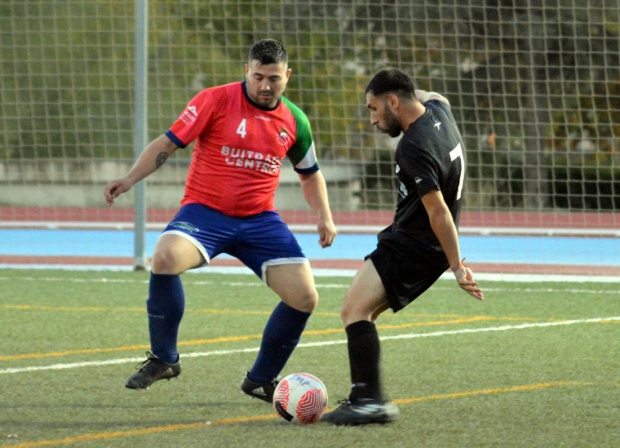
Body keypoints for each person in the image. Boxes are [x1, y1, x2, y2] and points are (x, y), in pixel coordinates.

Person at [103, 39, 336, 403]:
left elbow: (310, 174)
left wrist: (324, 216)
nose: (264, 86)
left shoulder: (295, 120)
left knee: (305, 297)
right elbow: (168, 143)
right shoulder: (214, 100)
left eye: (273, 78)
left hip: (259, 221)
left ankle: (261, 379)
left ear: (287, 76)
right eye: (257, 76)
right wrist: (130, 178)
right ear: (246, 71)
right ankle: (164, 357)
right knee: (164, 257)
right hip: (205, 213)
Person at [321, 68, 483, 426]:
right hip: (420, 244)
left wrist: (458, 267)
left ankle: (368, 401)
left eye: (374, 108)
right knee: (365, 312)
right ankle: (368, 396)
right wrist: (408, 92)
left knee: (353, 311)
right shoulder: (440, 112)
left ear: (393, 102)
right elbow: (436, 95)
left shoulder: (412, 147)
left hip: (414, 245)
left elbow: (438, 210)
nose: (372, 119)